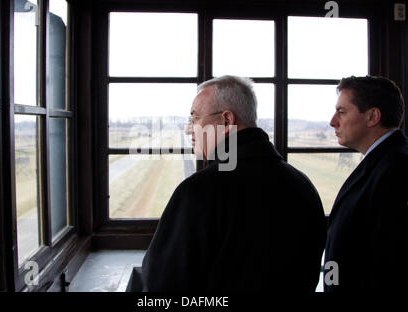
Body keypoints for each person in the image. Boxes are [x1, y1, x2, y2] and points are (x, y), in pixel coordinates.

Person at [140, 75, 326, 292]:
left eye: (194, 118)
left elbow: (161, 287)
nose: (188, 129)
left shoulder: (200, 191)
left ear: (226, 121)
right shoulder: (303, 185)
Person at [324, 75, 408, 291]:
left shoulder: (395, 169)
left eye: (342, 111)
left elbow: (390, 263)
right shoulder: (383, 161)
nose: (333, 121)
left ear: (372, 116)